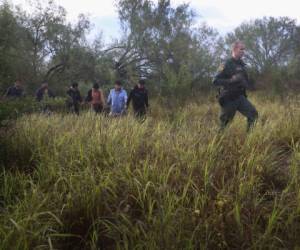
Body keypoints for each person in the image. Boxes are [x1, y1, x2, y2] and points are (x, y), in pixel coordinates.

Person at [213, 41, 258, 131]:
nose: (243, 51)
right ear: (234, 49)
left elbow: (244, 81)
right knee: (224, 124)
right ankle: (217, 142)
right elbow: (215, 81)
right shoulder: (226, 64)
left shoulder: (242, 64)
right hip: (229, 98)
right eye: (241, 49)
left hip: (240, 97)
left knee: (253, 114)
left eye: (244, 49)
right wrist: (231, 80)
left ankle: (249, 139)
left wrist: (250, 84)